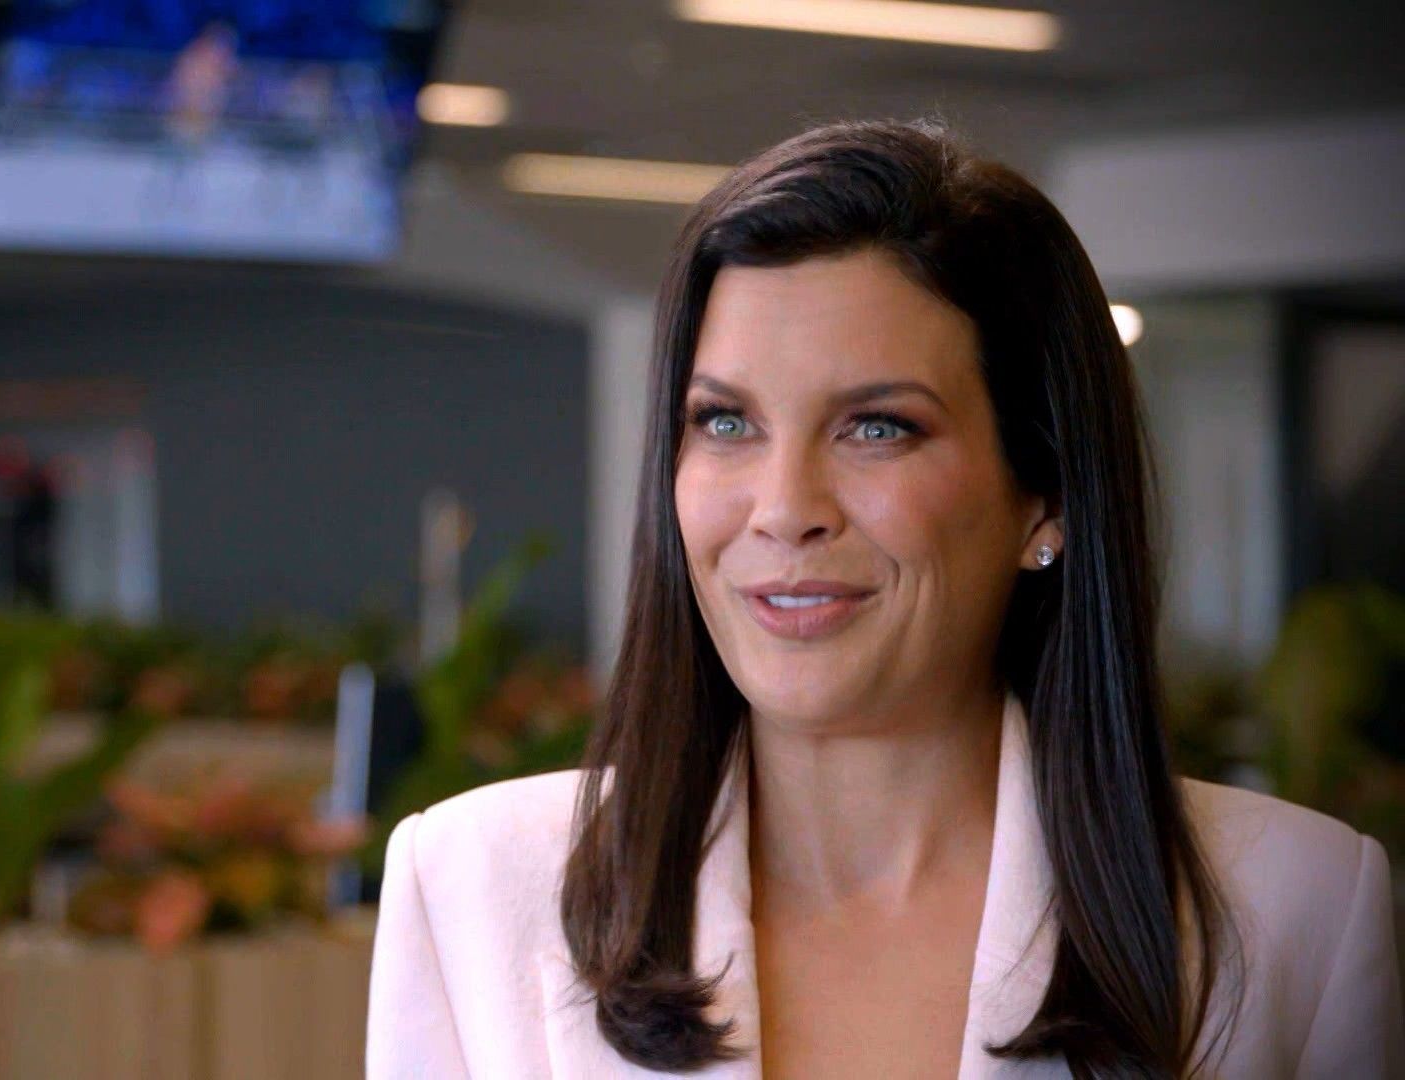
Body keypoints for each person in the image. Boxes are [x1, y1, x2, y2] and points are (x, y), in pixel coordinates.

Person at [364, 117, 1405, 1077]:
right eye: (725, 422)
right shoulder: (470, 887)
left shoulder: (1297, 911)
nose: (785, 510)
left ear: (1045, 495)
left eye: (877, 427)